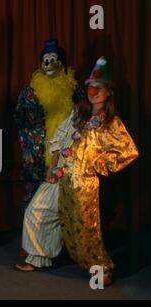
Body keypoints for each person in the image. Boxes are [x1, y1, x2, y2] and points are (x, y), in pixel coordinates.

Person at [51, 57, 139, 285]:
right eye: (90, 87)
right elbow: (65, 142)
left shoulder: (111, 122)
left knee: (88, 228)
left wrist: (101, 164)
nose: (92, 92)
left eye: (98, 88)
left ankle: (101, 269)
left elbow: (129, 151)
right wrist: (56, 166)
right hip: (66, 179)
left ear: (108, 92)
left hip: (85, 183)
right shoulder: (81, 114)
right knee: (69, 225)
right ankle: (83, 261)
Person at [14, 40, 85, 268]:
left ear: (61, 62)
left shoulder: (74, 88)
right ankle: (33, 249)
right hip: (36, 152)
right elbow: (19, 118)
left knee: (65, 203)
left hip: (67, 153)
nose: (49, 62)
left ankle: (63, 248)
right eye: (45, 59)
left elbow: (84, 116)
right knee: (33, 199)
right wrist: (29, 143)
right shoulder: (31, 90)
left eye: (53, 58)